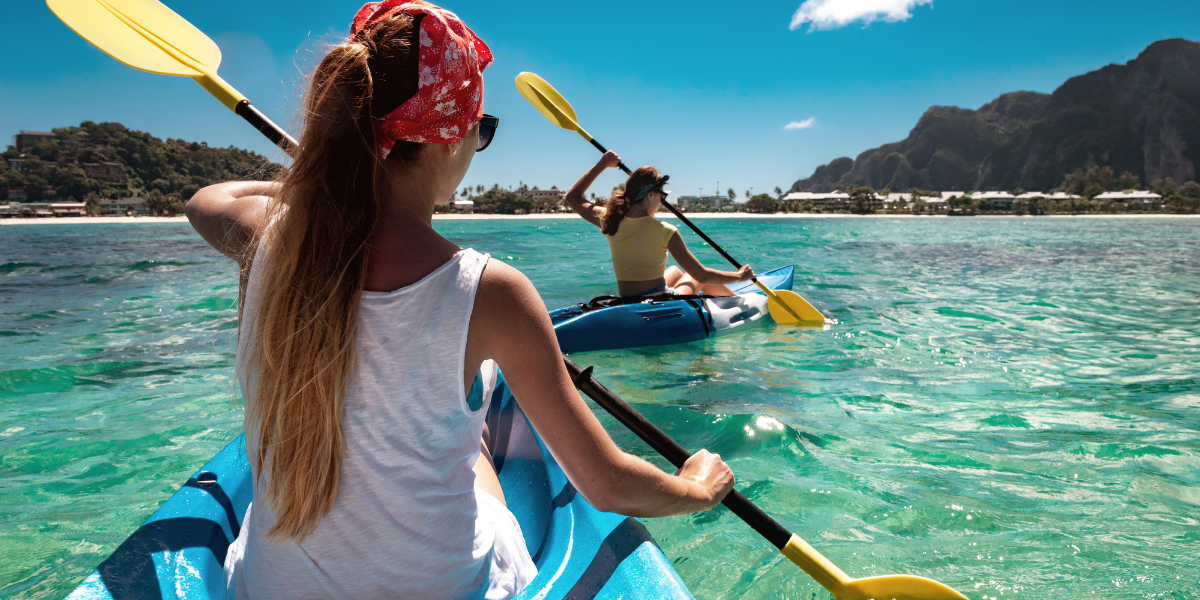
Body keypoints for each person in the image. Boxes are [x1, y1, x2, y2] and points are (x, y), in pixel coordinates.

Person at [184, 2, 734, 599]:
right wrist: (695, 491)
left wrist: (322, 182)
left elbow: (206, 198)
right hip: (445, 589)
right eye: (483, 127)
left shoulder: (270, 237)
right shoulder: (491, 292)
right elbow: (607, 484)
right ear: (450, 139)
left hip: (268, 589)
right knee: (476, 430)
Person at [564, 152, 755, 298]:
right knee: (693, 275)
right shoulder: (665, 230)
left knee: (673, 271)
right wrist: (739, 276)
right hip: (656, 302)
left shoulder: (609, 218)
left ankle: (732, 299)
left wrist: (602, 164)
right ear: (649, 195)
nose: (662, 200)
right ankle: (738, 303)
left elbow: (573, 198)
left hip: (626, 298)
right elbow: (701, 275)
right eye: (662, 196)